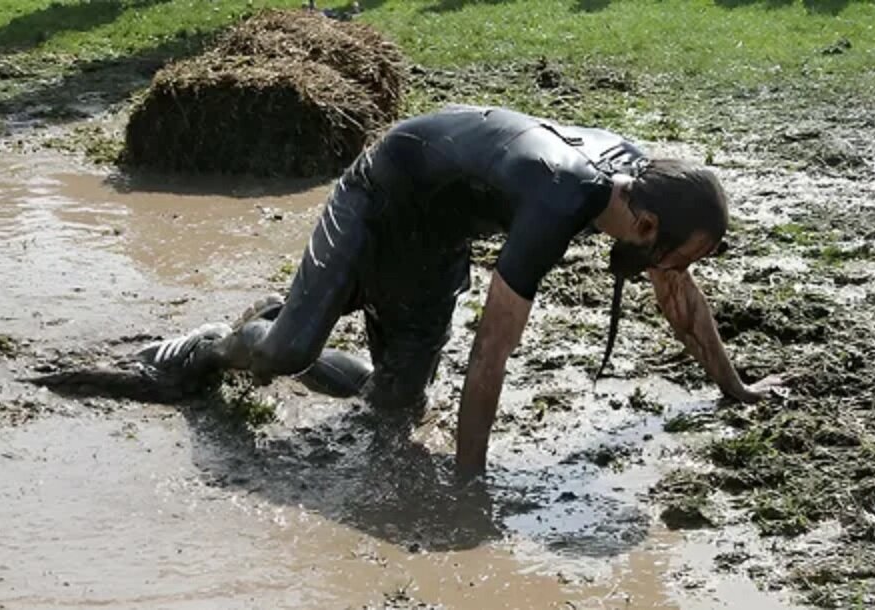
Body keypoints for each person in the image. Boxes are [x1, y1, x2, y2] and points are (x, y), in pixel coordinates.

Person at [137, 105, 784, 479]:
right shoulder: (559, 201)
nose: (676, 270)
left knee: (392, 408)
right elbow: (491, 351)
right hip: (378, 195)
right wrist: (469, 481)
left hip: (438, 236)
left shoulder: (647, 189)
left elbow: (678, 294)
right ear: (645, 227)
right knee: (289, 351)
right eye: (679, 254)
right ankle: (213, 347)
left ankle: (285, 326)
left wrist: (735, 388)